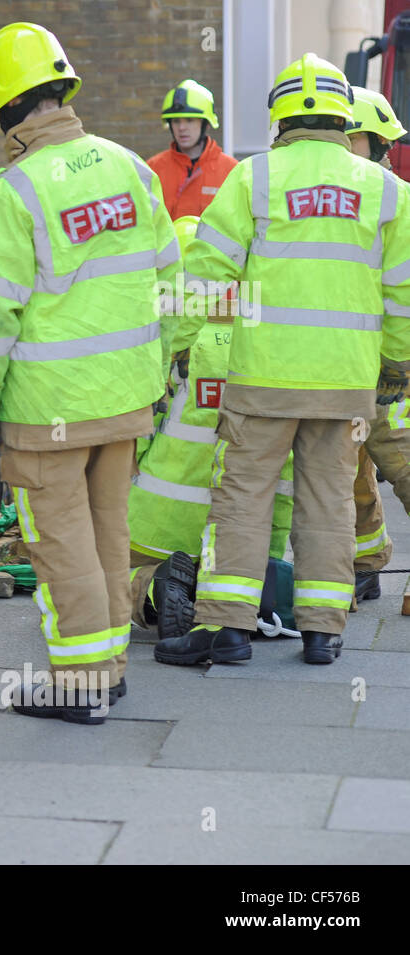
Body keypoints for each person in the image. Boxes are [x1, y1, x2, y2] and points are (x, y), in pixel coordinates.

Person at [155, 54, 410, 668]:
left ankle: (227, 632)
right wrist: (397, 366)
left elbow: (207, 273)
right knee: (329, 501)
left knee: (243, 499)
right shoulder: (387, 191)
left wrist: (180, 344)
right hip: (347, 382)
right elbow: (402, 292)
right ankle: (323, 632)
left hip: (262, 380)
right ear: (342, 114)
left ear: (280, 117)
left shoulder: (253, 179)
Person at [0, 21, 178, 722]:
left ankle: (81, 684)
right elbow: (170, 283)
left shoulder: (9, 194)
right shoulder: (131, 169)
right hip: (124, 398)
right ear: (62, 91)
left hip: (46, 409)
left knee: (62, 545)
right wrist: (157, 372)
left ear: (6, 109)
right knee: (110, 532)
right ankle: (108, 668)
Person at [129, 216, 295, 641]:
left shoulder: (169, 348)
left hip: (153, 528)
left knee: (88, 582)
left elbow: (139, 435)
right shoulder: (270, 346)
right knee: (242, 582)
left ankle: (154, 586)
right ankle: (237, 600)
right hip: (240, 535)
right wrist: (272, 553)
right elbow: (288, 464)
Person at [347, 86, 410, 601]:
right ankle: (364, 562)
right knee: (352, 471)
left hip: (390, 365)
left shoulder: (393, 201)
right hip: (349, 362)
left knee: (402, 464)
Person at [146, 79, 238, 219]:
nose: (182, 128)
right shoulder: (153, 169)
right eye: (176, 121)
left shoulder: (230, 170)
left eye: (189, 120)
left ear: (206, 124)